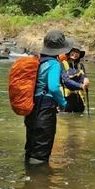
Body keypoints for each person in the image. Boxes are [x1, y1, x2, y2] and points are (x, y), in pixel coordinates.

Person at [24, 30, 72, 165]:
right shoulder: (54, 64)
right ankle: (39, 179)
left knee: (32, 143)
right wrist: (63, 103)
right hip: (45, 107)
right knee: (42, 145)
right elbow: (53, 87)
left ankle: (29, 178)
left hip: (32, 105)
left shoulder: (37, 60)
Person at [60, 45, 90, 113]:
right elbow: (66, 80)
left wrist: (85, 79)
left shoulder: (80, 65)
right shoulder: (62, 64)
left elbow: (82, 76)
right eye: (73, 51)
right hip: (66, 96)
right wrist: (80, 86)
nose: (75, 53)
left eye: (77, 52)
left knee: (79, 118)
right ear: (69, 52)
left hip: (78, 96)